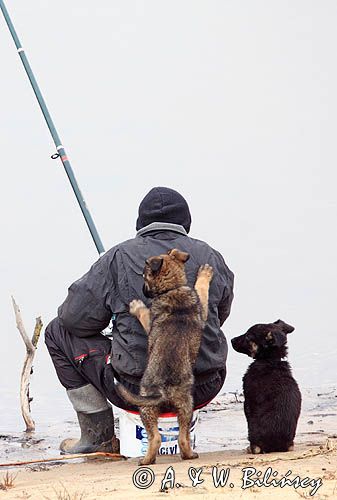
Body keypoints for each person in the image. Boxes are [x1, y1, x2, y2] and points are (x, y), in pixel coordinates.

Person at [45, 187, 234, 454]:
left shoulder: (118, 257)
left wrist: (116, 323)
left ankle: (96, 436)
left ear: (139, 225)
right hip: (203, 384)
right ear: (186, 224)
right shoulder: (210, 256)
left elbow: (73, 319)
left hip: (137, 390)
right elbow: (220, 315)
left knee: (56, 331)